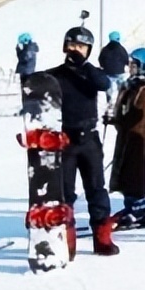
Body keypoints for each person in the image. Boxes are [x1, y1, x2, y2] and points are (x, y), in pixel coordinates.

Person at [47, 26, 117, 255]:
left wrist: (84, 65)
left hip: (89, 139)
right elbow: (36, 94)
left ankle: (102, 238)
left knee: (96, 188)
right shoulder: (55, 75)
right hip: (64, 139)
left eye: (82, 47)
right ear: (65, 46)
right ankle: (66, 239)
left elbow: (104, 84)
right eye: (73, 45)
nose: (77, 50)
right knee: (65, 192)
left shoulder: (91, 73)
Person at [107, 48, 145, 228]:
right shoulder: (132, 84)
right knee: (126, 171)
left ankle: (138, 208)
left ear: (143, 66)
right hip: (128, 135)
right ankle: (131, 206)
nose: (130, 67)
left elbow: (136, 115)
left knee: (133, 172)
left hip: (137, 136)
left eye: (134, 64)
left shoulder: (144, 88)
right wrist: (115, 118)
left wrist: (118, 120)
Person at [99, 31, 130, 109]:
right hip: (119, 72)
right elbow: (126, 59)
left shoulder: (105, 49)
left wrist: (104, 66)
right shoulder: (121, 49)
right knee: (121, 88)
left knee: (109, 88)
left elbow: (100, 59)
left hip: (108, 72)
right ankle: (121, 101)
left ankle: (109, 102)